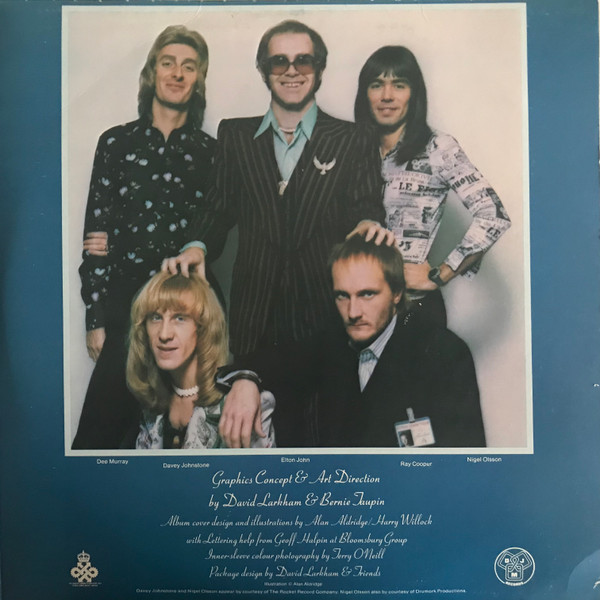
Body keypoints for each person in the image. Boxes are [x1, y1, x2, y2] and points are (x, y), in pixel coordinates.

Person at [163, 20, 389, 448]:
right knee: (251, 448)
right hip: (253, 329)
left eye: (303, 60)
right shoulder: (235, 135)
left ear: (320, 69)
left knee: (321, 450)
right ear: (263, 70)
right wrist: (196, 245)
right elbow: (216, 208)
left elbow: (366, 205)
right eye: (279, 61)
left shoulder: (353, 138)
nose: (292, 70)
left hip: (325, 330)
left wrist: (366, 222)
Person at [73, 25, 217, 449]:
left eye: (189, 66)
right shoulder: (116, 143)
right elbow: (96, 235)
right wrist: (96, 316)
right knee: (101, 436)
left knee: (187, 435)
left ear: (198, 79)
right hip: (127, 306)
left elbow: (216, 226)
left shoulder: (212, 152)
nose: (177, 73)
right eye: (168, 63)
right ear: (152, 73)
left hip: (189, 303)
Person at [352, 46, 511, 326]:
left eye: (399, 85)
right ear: (364, 94)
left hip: (411, 308)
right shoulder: (348, 149)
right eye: (376, 85)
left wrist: (441, 273)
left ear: (414, 94)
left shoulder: (438, 148)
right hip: (355, 307)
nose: (387, 96)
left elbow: (493, 216)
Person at [316, 234, 486, 447]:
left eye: (367, 294)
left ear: (396, 293)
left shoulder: (445, 354)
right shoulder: (325, 351)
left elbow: (464, 457)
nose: (353, 312)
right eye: (342, 296)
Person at [125, 272, 275, 449]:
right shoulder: (151, 407)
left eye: (180, 318)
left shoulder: (244, 402)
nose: (164, 334)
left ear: (204, 328)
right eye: (155, 317)